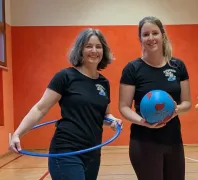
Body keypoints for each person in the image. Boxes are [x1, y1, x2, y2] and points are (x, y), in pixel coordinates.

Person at [9, 28, 123, 180]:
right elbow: (40, 108)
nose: (94, 50)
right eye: (89, 46)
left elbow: (104, 115)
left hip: (93, 153)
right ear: (80, 49)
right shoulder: (65, 77)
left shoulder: (103, 83)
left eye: (98, 46)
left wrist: (113, 121)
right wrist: (17, 134)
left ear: (104, 50)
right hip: (66, 152)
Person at [118, 16, 192, 180]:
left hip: (173, 140)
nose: (151, 38)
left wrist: (176, 109)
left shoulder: (177, 66)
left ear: (163, 35)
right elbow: (123, 106)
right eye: (145, 35)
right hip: (144, 141)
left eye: (155, 33)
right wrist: (142, 121)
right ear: (140, 39)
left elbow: (187, 102)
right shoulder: (132, 69)